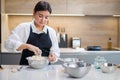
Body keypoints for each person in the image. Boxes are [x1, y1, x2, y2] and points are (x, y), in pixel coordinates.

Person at [4, 1, 60, 65]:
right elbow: (7, 43)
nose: (43, 20)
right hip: (26, 69)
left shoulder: (51, 31)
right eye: (40, 16)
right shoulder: (24, 27)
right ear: (34, 13)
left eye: (46, 17)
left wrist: (53, 56)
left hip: (46, 70)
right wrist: (27, 46)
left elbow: (55, 51)